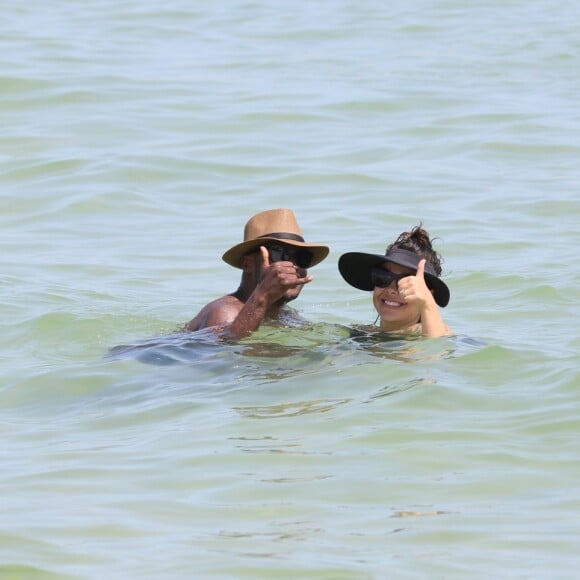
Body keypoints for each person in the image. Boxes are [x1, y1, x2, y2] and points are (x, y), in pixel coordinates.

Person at [185, 208, 329, 339]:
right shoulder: (226, 311)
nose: (293, 266)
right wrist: (263, 295)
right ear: (248, 264)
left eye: (301, 257)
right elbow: (220, 355)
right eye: (278, 253)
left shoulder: (285, 314)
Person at [338, 225, 452, 337]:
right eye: (382, 276)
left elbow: (437, 347)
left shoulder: (426, 332)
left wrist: (427, 303)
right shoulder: (362, 333)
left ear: (427, 294)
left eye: (406, 282)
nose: (391, 290)